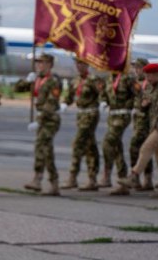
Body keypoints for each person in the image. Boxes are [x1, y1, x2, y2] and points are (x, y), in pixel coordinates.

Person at [118, 63, 158, 195]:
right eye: (147, 75)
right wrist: (144, 105)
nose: (148, 78)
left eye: (151, 76)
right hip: (154, 125)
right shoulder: (149, 88)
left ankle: (134, 176)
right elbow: (146, 104)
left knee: (146, 148)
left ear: (157, 75)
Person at [60, 60, 105, 191]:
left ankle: (72, 177)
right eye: (77, 64)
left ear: (87, 65)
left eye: (82, 64)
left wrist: (103, 102)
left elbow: (102, 93)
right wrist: (64, 103)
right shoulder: (75, 80)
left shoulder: (94, 79)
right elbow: (70, 96)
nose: (79, 66)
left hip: (91, 114)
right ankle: (93, 179)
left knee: (78, 143)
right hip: (80, 115)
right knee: (90, 146)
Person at [24, 53, 63, 196]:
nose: (39, 65)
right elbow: (18, 89)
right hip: (42, 118)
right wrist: (27, 81)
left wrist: (38, 121)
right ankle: (52, 183)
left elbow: (51, 103)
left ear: (49, 65)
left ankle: (38, 179)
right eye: (38, 62)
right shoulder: (37, 79)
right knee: (45, 150)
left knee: (42, 146)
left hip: (50, 119)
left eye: (42, 62)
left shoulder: (53, 81)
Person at [101, 67, 136, 195]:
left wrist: (130, 107)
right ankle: (123, 181)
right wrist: (103, 102)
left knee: (108, 142)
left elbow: (137, 94)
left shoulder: (127, 78)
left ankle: (106, 175)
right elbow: (104, 94)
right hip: (112, 116)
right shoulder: (109, 78)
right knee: (116, 146)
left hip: (123, 115)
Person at [129, 58, 156, 190]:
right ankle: (146, 179)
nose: (136, 70)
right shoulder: (136, 84)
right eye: (135, 68)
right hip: (138, 120)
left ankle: (137, 177)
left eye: (139, 68)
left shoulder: (151, 84)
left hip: (149, 121)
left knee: (136, 147)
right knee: (145, 150)